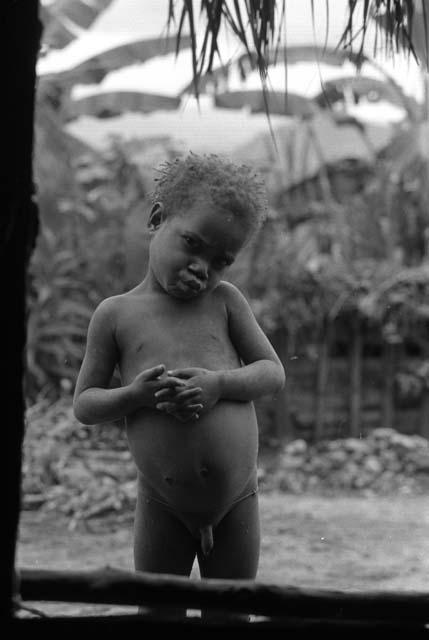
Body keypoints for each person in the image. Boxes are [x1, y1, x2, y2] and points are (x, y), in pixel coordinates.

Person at [73, 152, 285, 618]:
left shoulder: (226, 303)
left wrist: (217, 384)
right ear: (156, 218)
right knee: (158, 613)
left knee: (231, 614)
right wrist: (136, 396)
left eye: (221, 260)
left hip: (236, 501)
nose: (201, 268)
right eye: (192, 243)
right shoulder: (115, 315)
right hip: (161, 503)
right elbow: (86, 404)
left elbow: (271, 372)